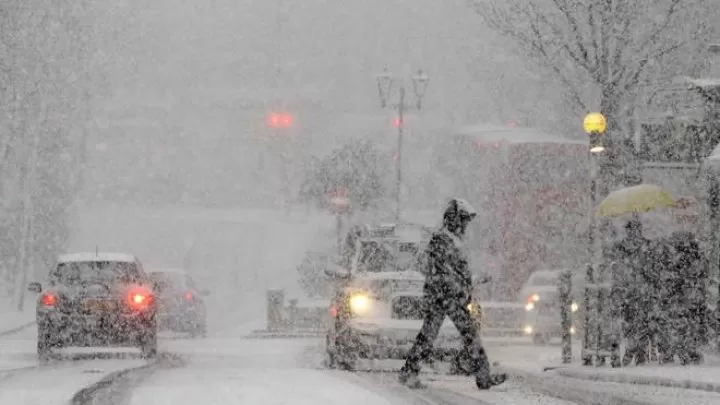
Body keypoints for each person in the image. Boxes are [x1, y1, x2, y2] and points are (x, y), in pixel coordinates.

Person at [398, 198, 506, 389]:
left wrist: (470, 282)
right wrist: (458, 289)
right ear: (455, 220)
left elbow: (455, 272)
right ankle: (483, 376)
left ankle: (409, 372)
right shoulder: (442, 240)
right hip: (446, 297)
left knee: (430, 335)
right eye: (463, 221)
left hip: (445, 296)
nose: (465, 225)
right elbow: (443, 272)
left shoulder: (451, 240)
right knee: (469, 334)